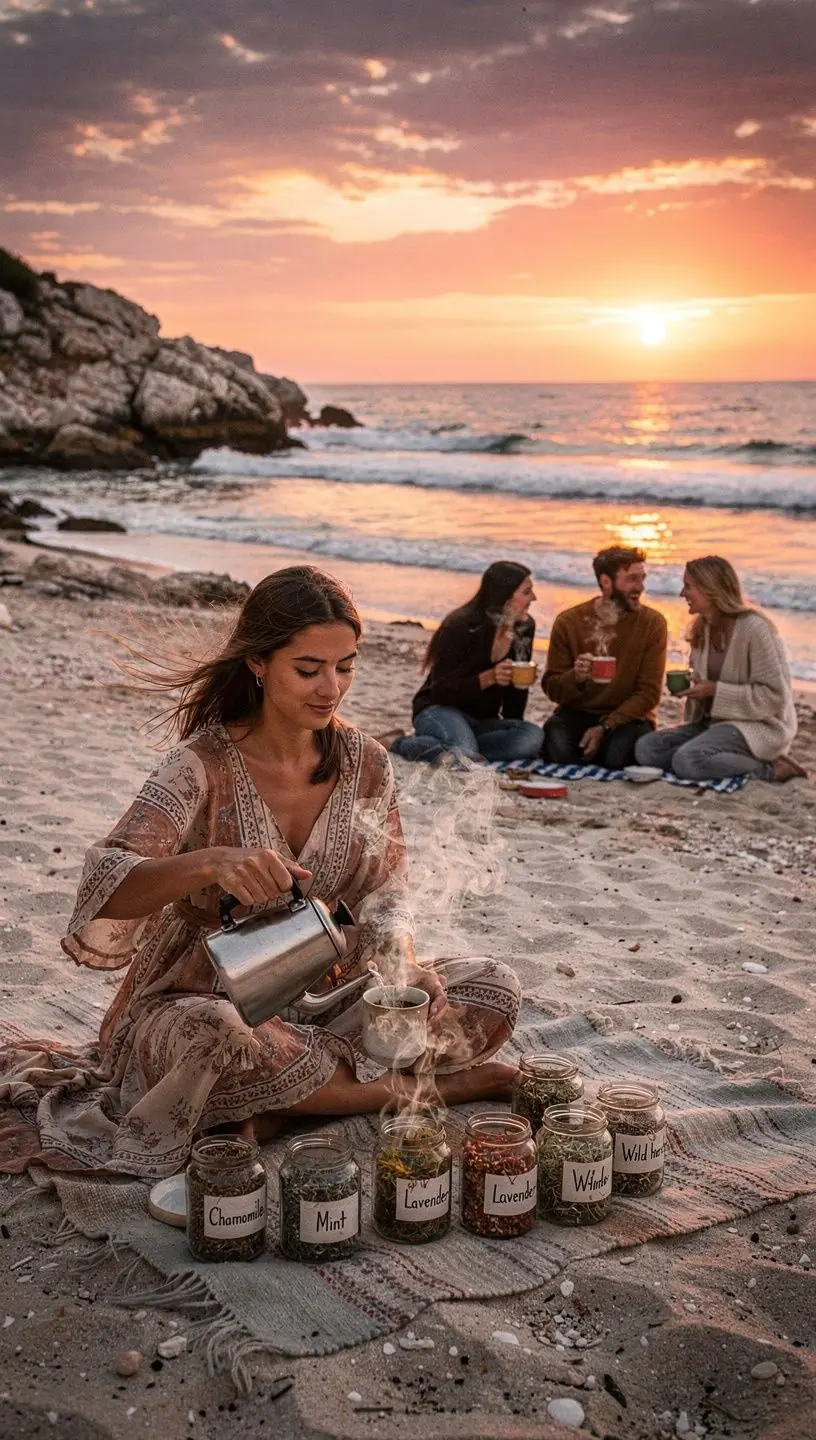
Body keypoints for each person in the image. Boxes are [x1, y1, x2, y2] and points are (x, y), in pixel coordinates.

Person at [0, 566, 520, 1179]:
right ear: (258, 663)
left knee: (492, 986)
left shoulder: (368, 762)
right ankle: (416, 1091)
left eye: (345, 666)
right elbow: (105, 883)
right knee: (213, 1035)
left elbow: (387, 889)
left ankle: (282, 1106)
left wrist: (406, 964)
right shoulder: (200, 764)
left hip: (329, 990)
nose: (332, 688)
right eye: (309, 669)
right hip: (202, 996)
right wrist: (208, 864)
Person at [634, 556, 805, 783]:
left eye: (688, 586)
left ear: (710, 590)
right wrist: (695, 689)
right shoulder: (702, 628)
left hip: (756, 726)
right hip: (715, 724)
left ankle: (772, 769)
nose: (682, 594)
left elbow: (774, 698)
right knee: (647, 748)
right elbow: (708, 693)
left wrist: (715, 690)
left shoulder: (755, 629)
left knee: (688, 760)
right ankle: (718, 758)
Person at [389, 561, 544, 766]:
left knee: (531, 737)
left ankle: (457, 746)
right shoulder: (462, 625)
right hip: (439, 709)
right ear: (505, 597)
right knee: (465, 753)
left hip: (482, 720)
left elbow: (515, 694)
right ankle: (397, 743)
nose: (533, 598)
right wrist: (489, 678)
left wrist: (511, 725)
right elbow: (441, 692)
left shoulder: (524, 626)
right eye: (526, 592)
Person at [541, 546, 667, 769]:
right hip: (577, 714)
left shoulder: (652, 624)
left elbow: (649, 693)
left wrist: (606, 727)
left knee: (615, 758)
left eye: (642, 579)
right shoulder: (569, 622)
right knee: (558, 749)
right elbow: (552, 687)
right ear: (606, 581)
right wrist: (576, 677)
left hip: (628, 719)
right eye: (632, 579)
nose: (640, 587)